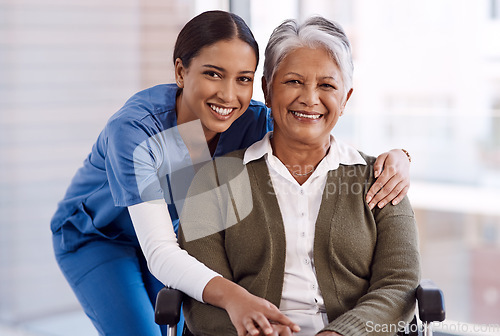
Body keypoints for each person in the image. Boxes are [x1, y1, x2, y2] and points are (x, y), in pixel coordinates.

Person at [50, 10, 412, 336]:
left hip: (178, 235)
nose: (228, 95)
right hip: (101, 237)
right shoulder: (135, 133)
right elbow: (160, 251)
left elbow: (315, 126)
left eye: (243, 79)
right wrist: (237, 298)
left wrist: (399, 156)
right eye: (213, 74)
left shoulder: (251, 118)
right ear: (180, 71)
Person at [178, 16, 420, 336]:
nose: (309, 98)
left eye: (327, 85)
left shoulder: (383, 179)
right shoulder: (214, 182)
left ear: (345, 99)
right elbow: (202, 298)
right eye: (293, 81)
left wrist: (339, 333)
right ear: (266, 88)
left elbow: (399, 285)